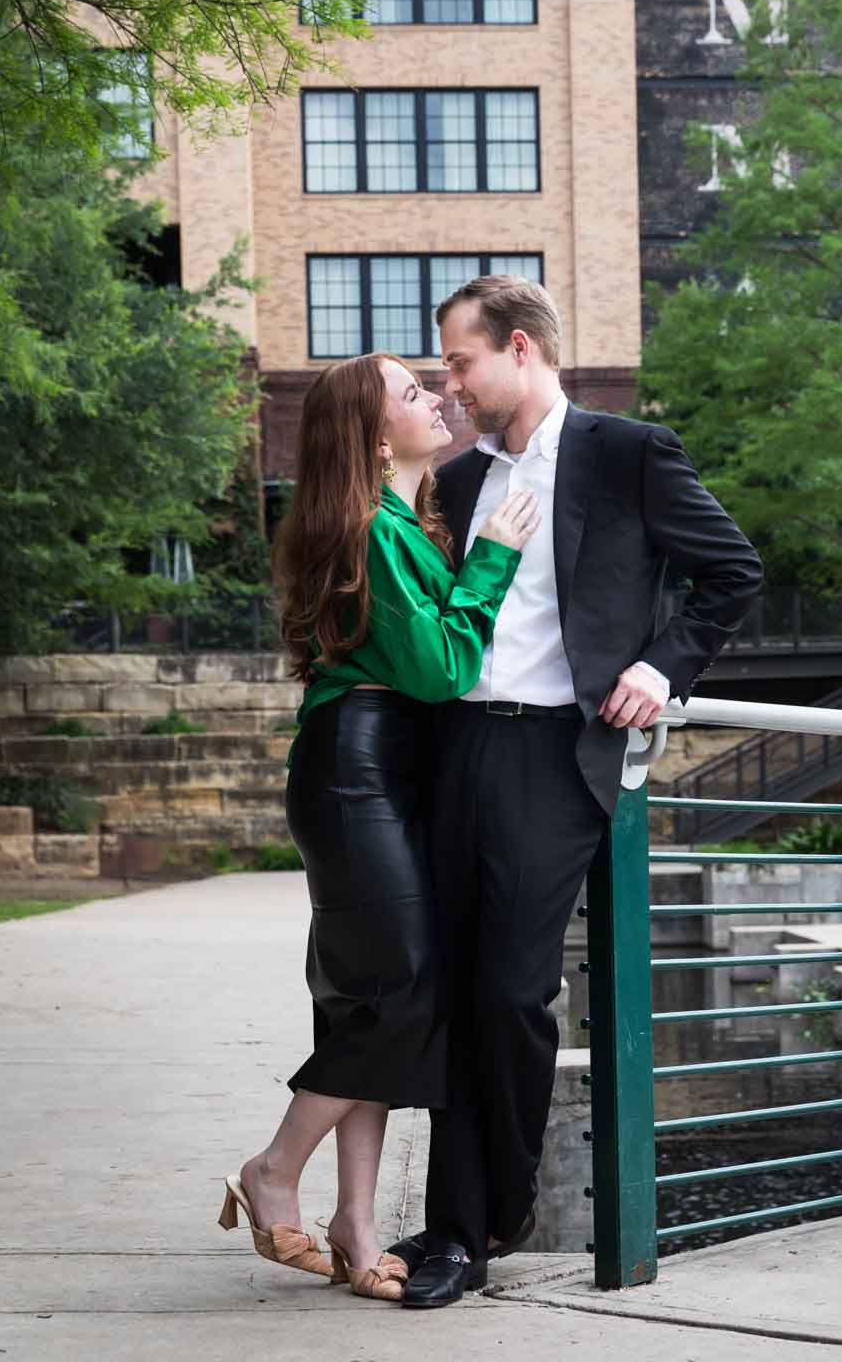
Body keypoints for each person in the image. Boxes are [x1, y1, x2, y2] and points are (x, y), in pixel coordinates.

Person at [389, 275, 763, 1309]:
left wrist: (662, 666)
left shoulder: (624, 451)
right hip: (454, 749)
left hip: (557, 752)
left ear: (519, 346)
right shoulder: (461, 482)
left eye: (460, 362)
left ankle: (485, 1217)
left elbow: (732, 571)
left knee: (511, 991)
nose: (451, 385)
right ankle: (453, 1218)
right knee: (454, 995)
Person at [218, 351, 538, 1304]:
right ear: (371, 433)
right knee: (401, 995)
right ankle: (277, 1168)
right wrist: (494, 562)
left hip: (380, 769)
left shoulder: (396, 522)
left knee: (363, 1000)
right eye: (411, 392)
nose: (435, 398)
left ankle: (356, 1227)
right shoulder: (368, 528)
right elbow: (441, 667)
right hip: (356, 772)